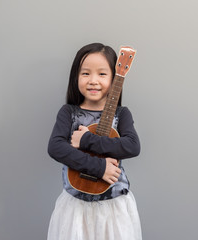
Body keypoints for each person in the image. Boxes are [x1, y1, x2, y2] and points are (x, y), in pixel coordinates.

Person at [47, 43, 142, 240]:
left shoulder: (121, 114)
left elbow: (132, 146)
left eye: (102, 74)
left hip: (114, 206)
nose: (93, 81)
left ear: (115, 78)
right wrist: (100, 168)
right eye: (85, 74)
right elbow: (56, 147)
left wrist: (86, 140)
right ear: (76, 77)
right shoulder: (69, 113)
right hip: (75, 205)